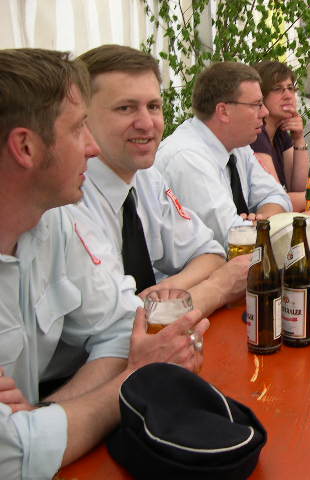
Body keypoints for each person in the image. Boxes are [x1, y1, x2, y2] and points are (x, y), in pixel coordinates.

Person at [0, 48, 208, 480]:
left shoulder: (51, 219)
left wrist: (45, 417)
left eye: (153, 106)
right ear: (25, 147)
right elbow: (11, 457)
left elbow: (120, 328)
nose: (92, 147)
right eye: (79, 128)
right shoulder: (68, 209)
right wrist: (134, 380)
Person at [70, 45, 248, 316]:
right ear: (82, 118)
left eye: (153, 106)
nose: (146, 123)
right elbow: (123, 323)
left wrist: (169, 290)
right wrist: (219, 287)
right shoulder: (69, 198)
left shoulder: (146, 177)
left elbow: (210, 253)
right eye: (125, 108)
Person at [155, 62, 292, 248]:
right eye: (257, 105)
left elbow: (277, 196)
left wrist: (262, 221)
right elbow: (230, 238)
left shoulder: (237, 144)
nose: (265, 112)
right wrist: (274, 225)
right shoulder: (187, 158)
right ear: (223, 111)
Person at [249, 61, 310, 212]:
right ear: (260, 96)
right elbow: (276, 201)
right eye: (277, 89)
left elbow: (299, 187)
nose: (288, 95)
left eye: (290, 88)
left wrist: (299, 138)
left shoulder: (280, 132)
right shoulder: (256, 134)